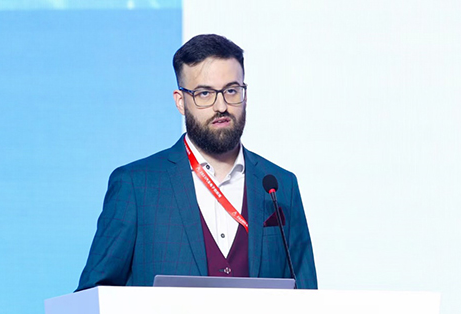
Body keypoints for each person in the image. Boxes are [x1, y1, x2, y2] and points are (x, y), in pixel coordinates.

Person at [76, 34, 317, 291]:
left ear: (245, 94)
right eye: (204, 93)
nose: (221, 106)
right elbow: (93, 295)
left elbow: (307, 296)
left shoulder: (281, 185)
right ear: (181, 102)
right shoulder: (136, 186)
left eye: (231, 90)